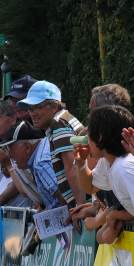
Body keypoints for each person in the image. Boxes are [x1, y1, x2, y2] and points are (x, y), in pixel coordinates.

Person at [75, 106, 134, 266]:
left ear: (99, 137)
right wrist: (80, 164)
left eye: (89, 133)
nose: (86, 139)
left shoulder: (124, 168)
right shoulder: (109, 162)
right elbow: (91, 187)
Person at [16, 80, 85, 209]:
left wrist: (80, 206)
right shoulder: (61, 120)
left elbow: (72, 166)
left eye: (38, 107)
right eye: (30, 109)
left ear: (54, 106)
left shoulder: (58, 124)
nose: (32, 114)